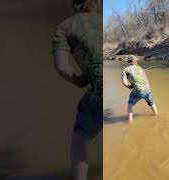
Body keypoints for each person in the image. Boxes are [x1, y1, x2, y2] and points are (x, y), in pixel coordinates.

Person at [52, 0, 102, 180]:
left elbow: (62, 67)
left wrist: (79, 81)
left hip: (99, 92)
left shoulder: (64, 28)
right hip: (121, 88)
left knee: (79, 140)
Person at [121, 55, 158, 124]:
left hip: (138, 90)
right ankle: (156, 115)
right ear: (134, 61)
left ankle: (130, 123)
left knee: (130, 106)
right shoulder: (140, 68)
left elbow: (124, 82)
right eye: (136, 60)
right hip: (147, 89)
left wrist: (129, 86)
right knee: (152, 103)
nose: (137, 61)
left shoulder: (125, 70)